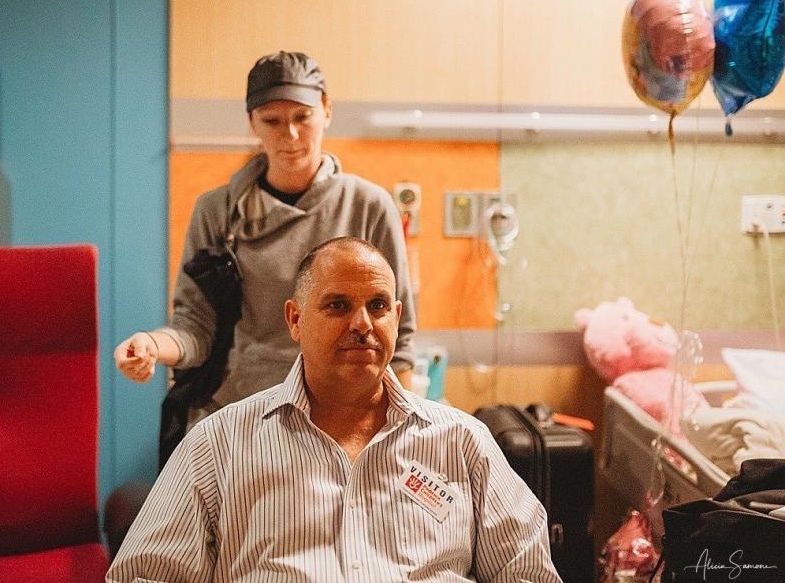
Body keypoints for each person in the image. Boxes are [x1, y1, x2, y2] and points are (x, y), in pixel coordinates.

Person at [106, 237, 561, 583]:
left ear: (396, 317)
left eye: (378, 306)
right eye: (338, 305)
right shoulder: (218, 444)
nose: (362, 324)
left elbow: (529, 573)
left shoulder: (463, 442)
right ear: (295, 320)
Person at [114, 51, 417, 418]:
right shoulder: (219, 212)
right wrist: (151, 345)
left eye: (302, 117)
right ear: (252, 123)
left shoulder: (368, 206)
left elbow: (397, 338)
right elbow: (195, 326)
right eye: (271, 121)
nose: (289, 135)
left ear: (326, 111)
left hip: (342, 412)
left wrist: (408, 425)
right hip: (241, 410)